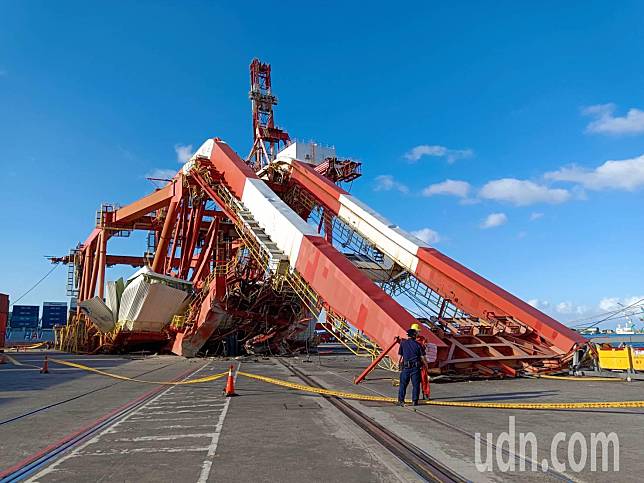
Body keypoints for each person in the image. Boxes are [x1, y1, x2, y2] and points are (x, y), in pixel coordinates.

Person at [397, 325, 428, 406]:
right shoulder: (418, 345)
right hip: (415, 368)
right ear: (414, 335)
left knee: (403, 385)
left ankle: (401, 401)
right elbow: (423, 358)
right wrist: (426, 365)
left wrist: (399, 364)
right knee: (416, 385)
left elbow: (400, 356)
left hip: (406, 368)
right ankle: (415, 401)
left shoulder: (403, 344)